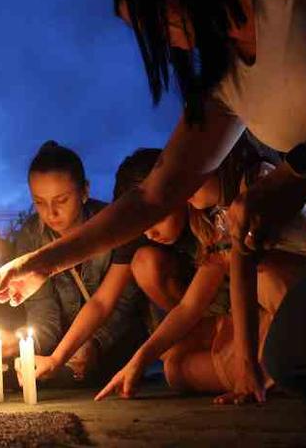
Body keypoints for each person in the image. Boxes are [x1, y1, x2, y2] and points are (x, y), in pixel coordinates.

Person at [0, 0, 306, 413]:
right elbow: (151, 197)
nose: (169, 43)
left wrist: (297, 174)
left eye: (156, 24)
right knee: (291, 357)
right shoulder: (227, 84)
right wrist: (39, 263)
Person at [96, 141, 306, 403]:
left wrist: (246, 362)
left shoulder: (258, 186)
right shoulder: (214, 217)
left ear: (218, 162)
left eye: (190, 178)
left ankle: (284, 366)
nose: (183, 192)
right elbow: (188, 307)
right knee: (175, 370)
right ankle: (271, 372)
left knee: (263, 274)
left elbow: (244, 274)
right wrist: (137, 362)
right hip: (259, 320)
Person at [31, 148, 198, 384]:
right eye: (39, 202)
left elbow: (188, 305)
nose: (149, 231)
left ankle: (201, 340)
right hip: (178, 322)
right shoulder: (140, 232)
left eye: (61, 200)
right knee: (176, 372)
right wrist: (57, 358)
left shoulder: (208, 226)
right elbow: (101, 301)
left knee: (145, 262)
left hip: (195, 316)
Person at [10, 141, 147, 385]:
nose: (50, 213)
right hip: (65, 358)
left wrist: (95, 343)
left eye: (61, 200)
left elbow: (123, 303)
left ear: (84, 191)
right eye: (39, 202)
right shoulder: (31, 237)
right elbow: (43, 312)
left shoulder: (115, 226)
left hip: (122, 351)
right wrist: (24, 345)